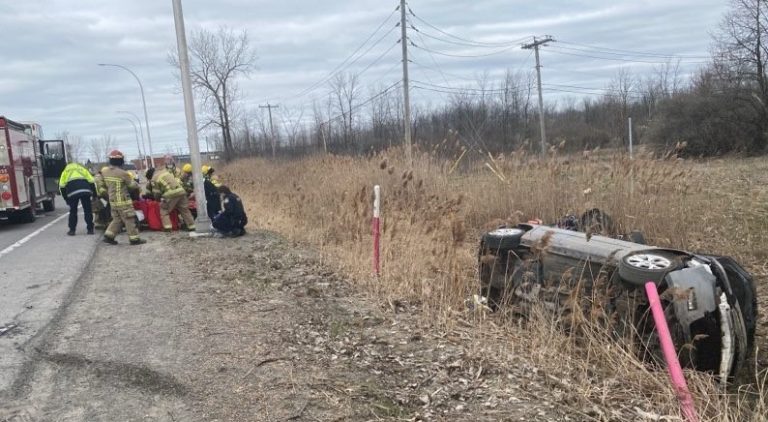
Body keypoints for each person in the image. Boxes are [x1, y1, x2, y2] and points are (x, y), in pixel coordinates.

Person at [100, 150, 146, 245]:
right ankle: (134, 239)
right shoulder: (123, 173)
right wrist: (137, 184)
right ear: (121, 160)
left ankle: (109, 236)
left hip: (112, 201)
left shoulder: (105, 172)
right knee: (129, 219)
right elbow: (132, 186)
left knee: (117, 219)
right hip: (123, 201)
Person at [146, 166, 196, 232]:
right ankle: (191, 226)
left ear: (150, 176)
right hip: (181, 191)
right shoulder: (165, 172)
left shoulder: (154, 178)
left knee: (164, 210)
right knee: (184, 210)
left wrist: (157, 200)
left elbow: (156, 193)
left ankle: (168, 228)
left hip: (170, 194)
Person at [59, 161, 96, 235]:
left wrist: (66, 198)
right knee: (87, 210)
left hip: (72, 193)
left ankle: (72, 230)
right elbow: (92, 181)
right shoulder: (82, 169)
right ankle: (90, 229)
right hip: (85, 190)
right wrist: (95, 194)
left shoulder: (65, 171)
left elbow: (62, 186)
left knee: (73, 211)